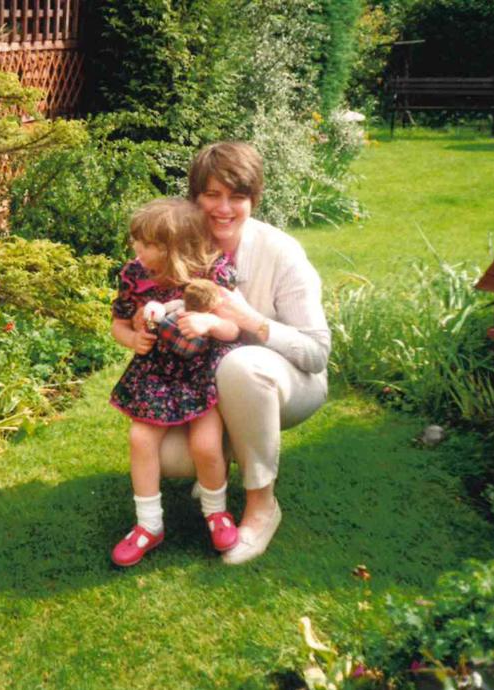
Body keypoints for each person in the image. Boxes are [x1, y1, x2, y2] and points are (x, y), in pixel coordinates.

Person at [157, 141, 331, 565]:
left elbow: (317, 354)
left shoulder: (281, 252)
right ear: (194, 197)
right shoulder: (182, 246)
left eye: (237, 196)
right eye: (212, 194)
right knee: (169, 459)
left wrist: (252, 320)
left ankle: (261, 506)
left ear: (254, 199)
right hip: (208, 392)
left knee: (241, 365)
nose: (224, 208)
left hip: (288, 382)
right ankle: (221, 460)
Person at [109, 197, 241, 567]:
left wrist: (210, 324)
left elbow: (233, 327)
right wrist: (132, 340)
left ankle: (216, 511)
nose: (138, 249)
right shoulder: (134, 274)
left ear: (177, 249)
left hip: (201, 371)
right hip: (157, 372)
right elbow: (118, 324)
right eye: (137, 240)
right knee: (140, 439)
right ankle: (149, 524)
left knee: (205, 443)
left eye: (148, 244)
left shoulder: (211, 273)